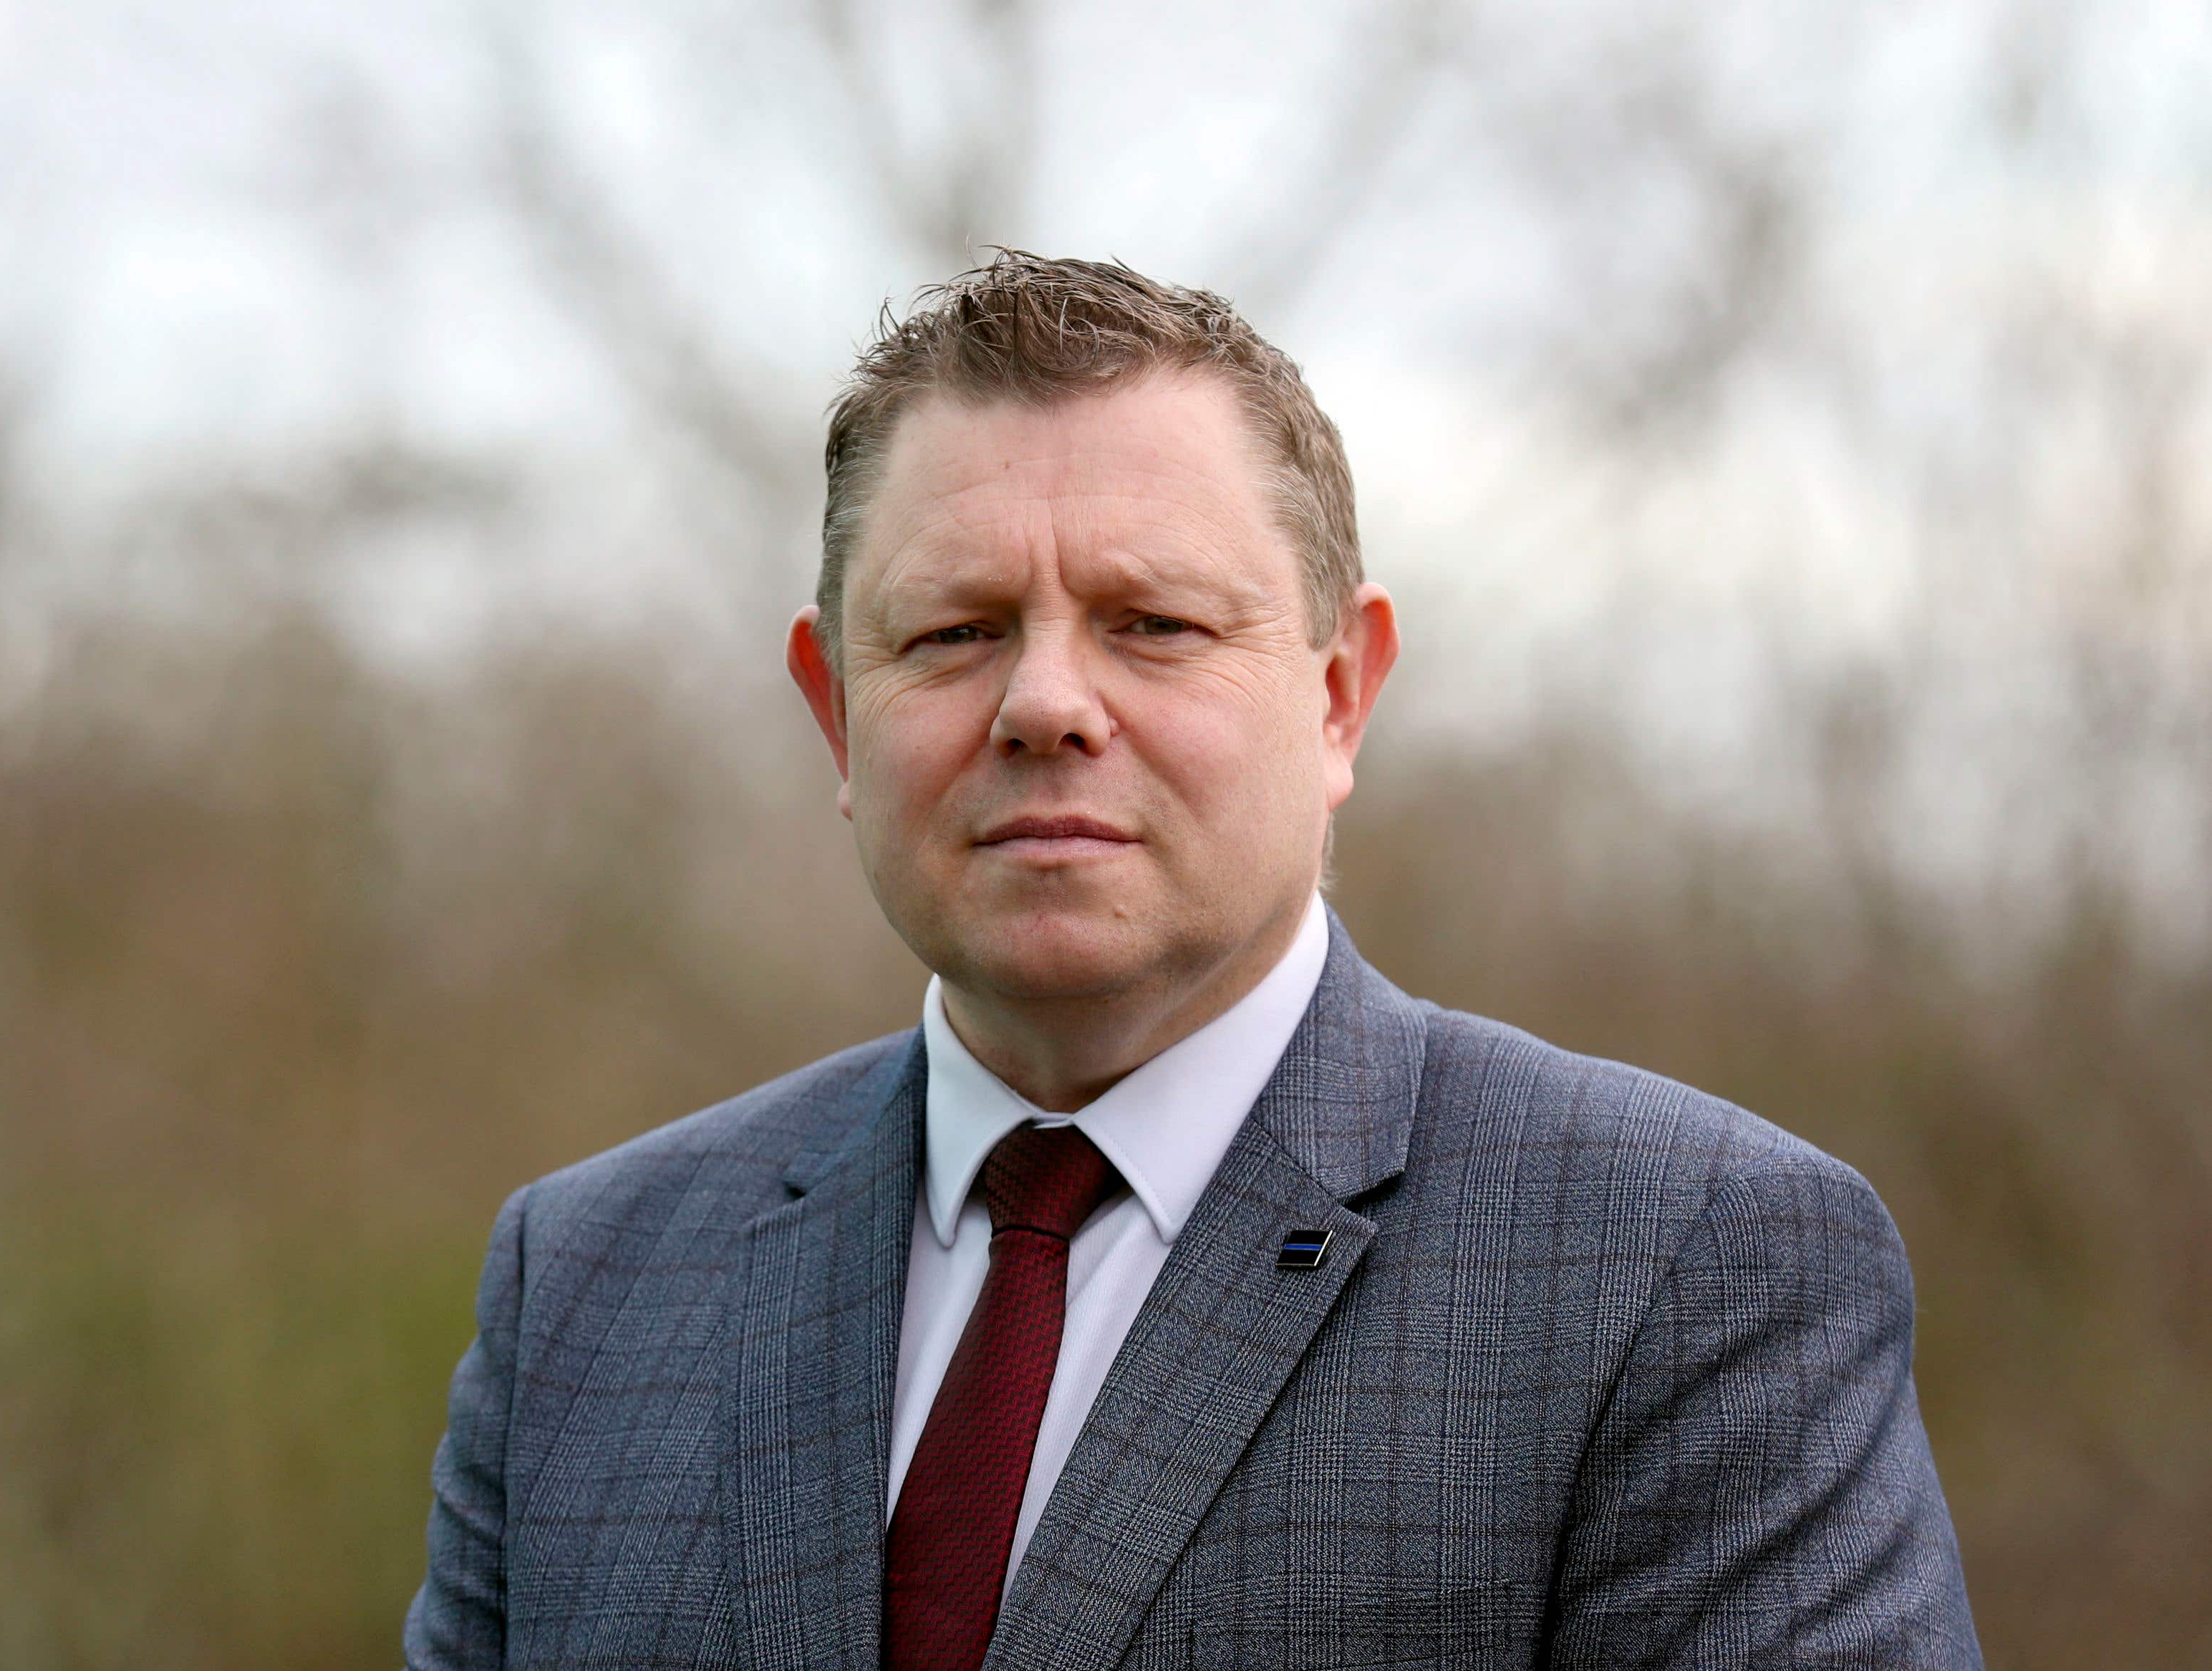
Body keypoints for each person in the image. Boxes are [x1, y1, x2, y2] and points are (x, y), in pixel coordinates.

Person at [402, 252, 1981, 1670]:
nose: (1044, 704)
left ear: (1340, 692)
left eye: (1151, 623)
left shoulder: (1688, 1267)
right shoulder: (589, 1288)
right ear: (834, 710)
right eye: (951, 631)